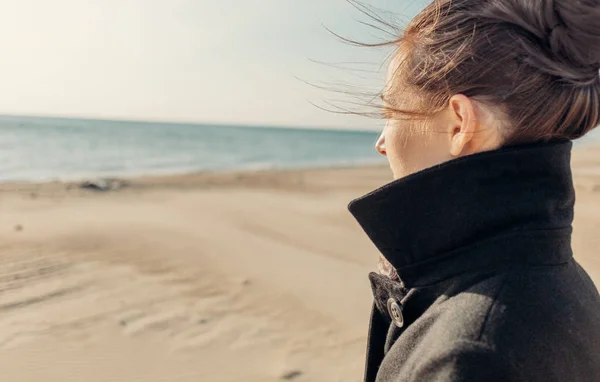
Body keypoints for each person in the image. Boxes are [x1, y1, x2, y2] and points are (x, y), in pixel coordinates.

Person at [347, 0, 600, 381]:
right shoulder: (560, 281)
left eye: (391, 113)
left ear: (459, 124)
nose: (381, 142)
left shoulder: (467, 357)